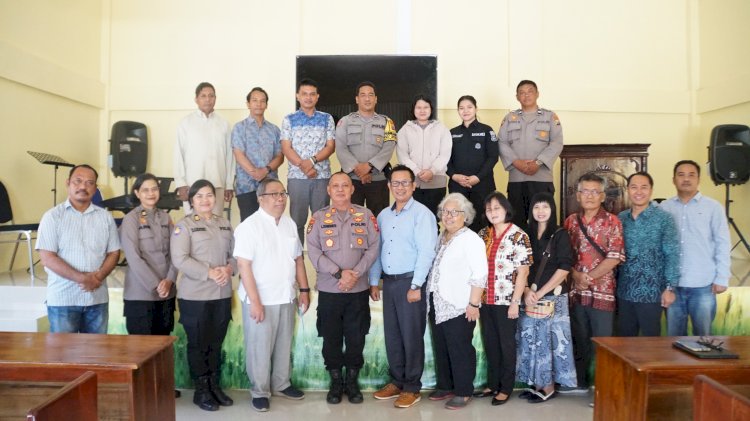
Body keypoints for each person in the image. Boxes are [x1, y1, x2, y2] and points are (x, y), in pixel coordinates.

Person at [234, 178, 311, 412]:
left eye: (282, 194)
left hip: (285, 296)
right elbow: (243, 266)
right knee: (259, 348)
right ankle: (259, 391)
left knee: (282, 344)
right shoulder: (249, 226)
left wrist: (304, 290)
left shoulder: (288, 223)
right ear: (261, 198)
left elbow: (298, 259)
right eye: (274, 194)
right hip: (261, 299)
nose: (280, 199)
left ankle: (281, 383)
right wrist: (255, 302)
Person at [307, 172, 380, 405]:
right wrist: (340, 273)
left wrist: (355, 274)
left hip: (357, 290)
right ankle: (336, 381)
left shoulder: (365, 215)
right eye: (335, 186)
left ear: (352, 189)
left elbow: (373, 248)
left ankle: (352, 381)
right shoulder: (317, 218)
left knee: (356, 337)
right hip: (330, 290)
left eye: (345, 185)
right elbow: (314, 252)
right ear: (328, 190)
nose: (340, 190)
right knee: (331, 338)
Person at [369, 164, 438, 408]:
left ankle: (412, 387)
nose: (400, 187)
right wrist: (374, 281)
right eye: (395, 183)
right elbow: (378, 250)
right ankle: (397, 381)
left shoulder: (423, 214)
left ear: (413, 185)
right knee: (393, 336)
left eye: (405, 183)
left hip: (411, 282)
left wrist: (417, 284)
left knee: (411, 337)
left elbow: (427, 252)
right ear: (388, 186)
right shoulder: (383, 216)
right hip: (389, 283)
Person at [171, 180, 236, 412]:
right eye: (200, 196)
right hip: (195, 296)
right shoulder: (184, 226)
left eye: (209, 195)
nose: (206, 200)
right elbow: (180, 259)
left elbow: (235, 255)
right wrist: (209, 272)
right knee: (198, 344)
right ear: (191, 201)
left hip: (221, 293)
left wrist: (228, 269)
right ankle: (201, 390)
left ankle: (214, 385)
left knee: (216, 343)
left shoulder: (225, 224)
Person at [36, 164, 120, 334]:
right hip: (63, 300)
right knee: (63, 358)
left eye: (90, 183)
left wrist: (98, 277)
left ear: (95, 188)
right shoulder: (52, 217)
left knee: (97, 357)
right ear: (68, 183)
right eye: (78, 181)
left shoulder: (105, 217)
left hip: (97, 300)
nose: (83, 186)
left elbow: (114, 253)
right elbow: (47, 257)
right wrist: (83, 279)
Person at [563, 173, 624, 393]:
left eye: (594, 191)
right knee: (578, 338)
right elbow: (563, 256)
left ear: (602, 196)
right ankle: (579, 382)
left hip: (603, 292)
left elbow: (615, 256)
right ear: (578, 195)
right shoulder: (570, 221)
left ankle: (604, 388)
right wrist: (576, 276)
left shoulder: (612, 221)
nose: (589, 196)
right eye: (585, 191)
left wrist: (589, 277)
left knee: (603, 342)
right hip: (577, 292)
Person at [426, 193, 487, 410]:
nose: (449, 216)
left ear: (466, 216)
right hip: (437, 301)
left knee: (460, 348)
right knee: (441, 345)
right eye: (445, 212)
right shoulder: (442, 237)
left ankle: (463, 390)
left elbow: (480, 273)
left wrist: (473, 303)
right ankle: (445, 385)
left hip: (460, 304)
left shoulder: (471, 239)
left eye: (455, 212)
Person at [516, 192, 576, 403]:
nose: (541, 211)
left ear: (552, 209)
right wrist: (525, 291)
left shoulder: (560, 234)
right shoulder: (525, 234)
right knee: (531, 341)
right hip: (528, 295)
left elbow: (564, 267)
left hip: (552, 297)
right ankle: (535, 383)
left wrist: (540, 293)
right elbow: (520, 265)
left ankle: (548, 386)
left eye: (545, 207)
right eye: (536, 207)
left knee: (549, 343)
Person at [660, 160, 731, 336]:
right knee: (674, 340)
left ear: (699, 179)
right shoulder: (664, 208)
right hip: (673, 286)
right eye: (681, 175)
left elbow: (723, 242)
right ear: (673, 179)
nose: (686, 179)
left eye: (691, 175)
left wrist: (722, 277)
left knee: (704, 338)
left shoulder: (713, 207)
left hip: (703, 285)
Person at [476, 192, 532, 406]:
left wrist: (515, 302)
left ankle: (506, 388)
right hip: (485, 299)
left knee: (506, 346)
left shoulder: (519, 235)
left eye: (497, 208)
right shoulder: (483, 235)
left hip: (507, 302)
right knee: (490, 344)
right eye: (489, 209)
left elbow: (523, 272)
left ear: (506, 209)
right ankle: (493, 383)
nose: (493, 213)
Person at [617, 172, 680, 336]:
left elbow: (672, 254)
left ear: (651, 190)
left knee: (651, 346)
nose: (639, 192)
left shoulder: (664, 219)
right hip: (624, 291)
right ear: (628, 190)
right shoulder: (620, 218)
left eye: (644, 187)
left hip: (652, 293)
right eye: (634, 187)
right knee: (624, 344)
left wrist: (670, 288)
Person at [498, 80, 563, 229]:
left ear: (537, 94)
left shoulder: (550, 117)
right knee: (516, 222)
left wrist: (538, 163)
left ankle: (544, 252)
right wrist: (516, 162)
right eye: (522, 92)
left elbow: (557, 142)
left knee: (543, 222)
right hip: (517, 180)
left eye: (530, 91)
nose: (526, 95)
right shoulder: (509, 118)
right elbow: (501, 142)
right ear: (517, 96)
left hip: (541, 179)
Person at [119, 173, 177, 336]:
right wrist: (156, 285)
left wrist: (169, 280)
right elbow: (133, 257)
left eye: (154, 189)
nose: (151, 193)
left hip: (166, 295)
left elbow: (177, 253)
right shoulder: (131, 219)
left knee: (162, 349)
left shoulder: (166, 217)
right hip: (140, 295)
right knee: (141, 352)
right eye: (145, 190)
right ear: (137, 193)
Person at [281, 78, 336, 242]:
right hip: (297, 178)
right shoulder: (289, 119)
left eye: (312, 94)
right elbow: (286, 147)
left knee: (322, 221)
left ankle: (322, 263)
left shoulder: (326, 118)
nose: (308, 97)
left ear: (317, 97)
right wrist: (303, 167)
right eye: (304, 94)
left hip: (321, 177)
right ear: (298, 96)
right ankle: (297, 262)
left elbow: (330, 146)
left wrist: (311, 161)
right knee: (297, 222)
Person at [335, 81, 397, 217]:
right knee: (350, 220)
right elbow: (340, 147)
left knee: (379, 222)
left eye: (371, 95)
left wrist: (369, 167)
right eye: (363, 95)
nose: (367, 98)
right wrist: (359, 170)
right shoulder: (345, 121)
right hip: (351, 180)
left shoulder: (387, 122)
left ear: (376, 98)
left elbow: (389, 147)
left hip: (378, 179)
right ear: (357, 99)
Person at [174, 82, 235, 216]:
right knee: (193, 225)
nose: (208, 99)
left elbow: (230, 157)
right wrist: (181, 183)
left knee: (215, 224)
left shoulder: (224, 124)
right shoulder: (186, 123)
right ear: (196, 99)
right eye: (203, 96)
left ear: (215, 98)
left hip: (217, 184)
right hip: (192, 184)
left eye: (211, 96)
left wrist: (229, 184)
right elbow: (178, 155)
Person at [447, 95, 499, 232]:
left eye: (469, 107)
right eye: (461, 108)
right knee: (458, 223)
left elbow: (493, 157)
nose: (466, 111)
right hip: (458, 186)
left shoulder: (487, 130)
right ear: (458, 111)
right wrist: (454, 176)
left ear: (476, 109)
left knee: (483, 223)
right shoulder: (452, 133)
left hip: (482, 185)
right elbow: (445, 160)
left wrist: (478, 177)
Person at [232, 87, 284, 221]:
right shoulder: (239, 127)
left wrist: (265, 170)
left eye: (262, 101)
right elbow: (238, 153)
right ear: (248, 104)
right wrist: (255, 172)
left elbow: (279, 156)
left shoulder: (274, 130)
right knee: (249, 225)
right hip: (246, 187)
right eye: (254, 100)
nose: (258, 104)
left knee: (272, 224)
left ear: (266, 105)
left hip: (270, 188)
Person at [396, 94, 452, 217]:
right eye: (418, 107)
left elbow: (445, 154)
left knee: (433, 220)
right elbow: (402, 154)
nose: (422, 110)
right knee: (411, 218)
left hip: (436, 182)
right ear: (413, 109)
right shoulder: (405, 129)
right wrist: (416, 171)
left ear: (431, 109)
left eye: (425, 107)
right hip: (412, 183)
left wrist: (432, 171)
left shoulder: (442, 129)